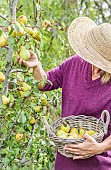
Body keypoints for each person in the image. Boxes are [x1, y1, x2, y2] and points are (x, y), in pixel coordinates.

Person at [17, 17, 111, 170]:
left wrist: (100, 147)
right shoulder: (75, 63)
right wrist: (36, 66)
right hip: (65, 162)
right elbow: (45, 83)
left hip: (97, 165)